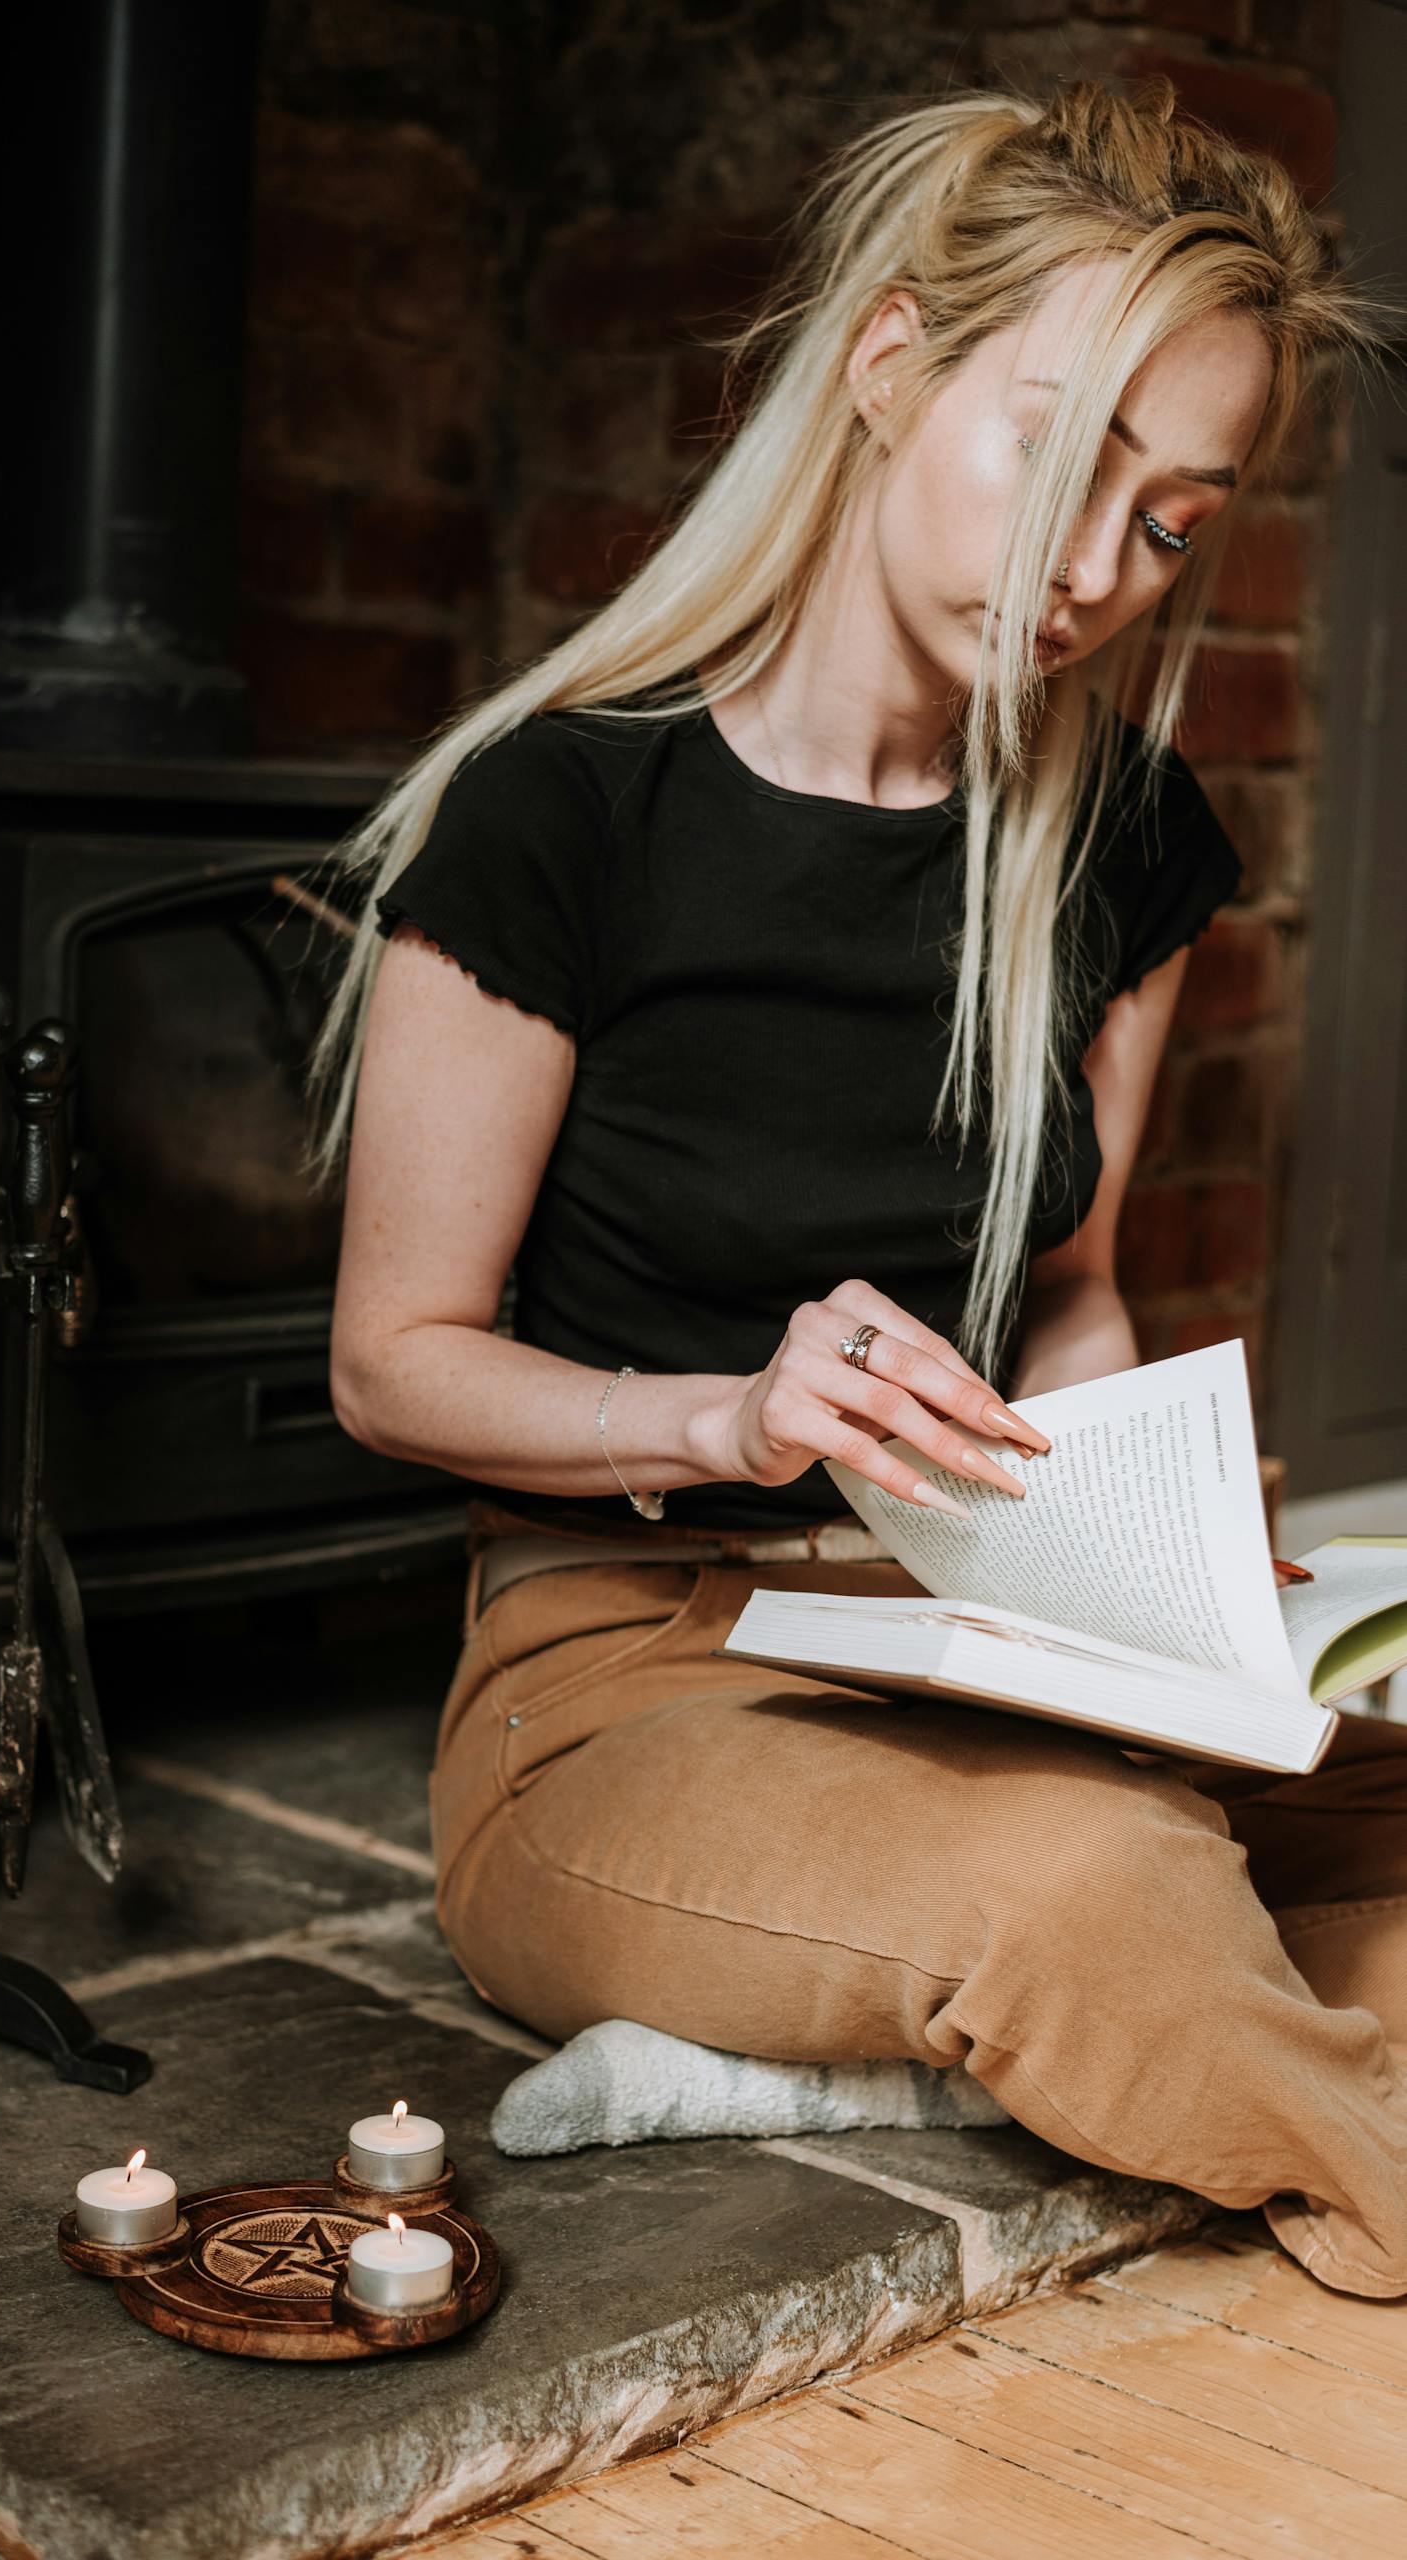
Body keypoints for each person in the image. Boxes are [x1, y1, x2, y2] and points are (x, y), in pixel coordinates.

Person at [313, 76, 1407, 2297]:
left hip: (974, 1629)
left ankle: (886, 2041)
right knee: (1104, 1883)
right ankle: (1162, 2056)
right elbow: (387, 1363)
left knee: (1241, 1822)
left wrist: (1161, 1536)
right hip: (614, 1674)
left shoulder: (1116, 843)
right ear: (894, 363)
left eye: (1176, 519)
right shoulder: (563, 811)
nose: (1101, 570)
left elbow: (1074, 1286)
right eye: (1061, 452)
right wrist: (724, 1416)